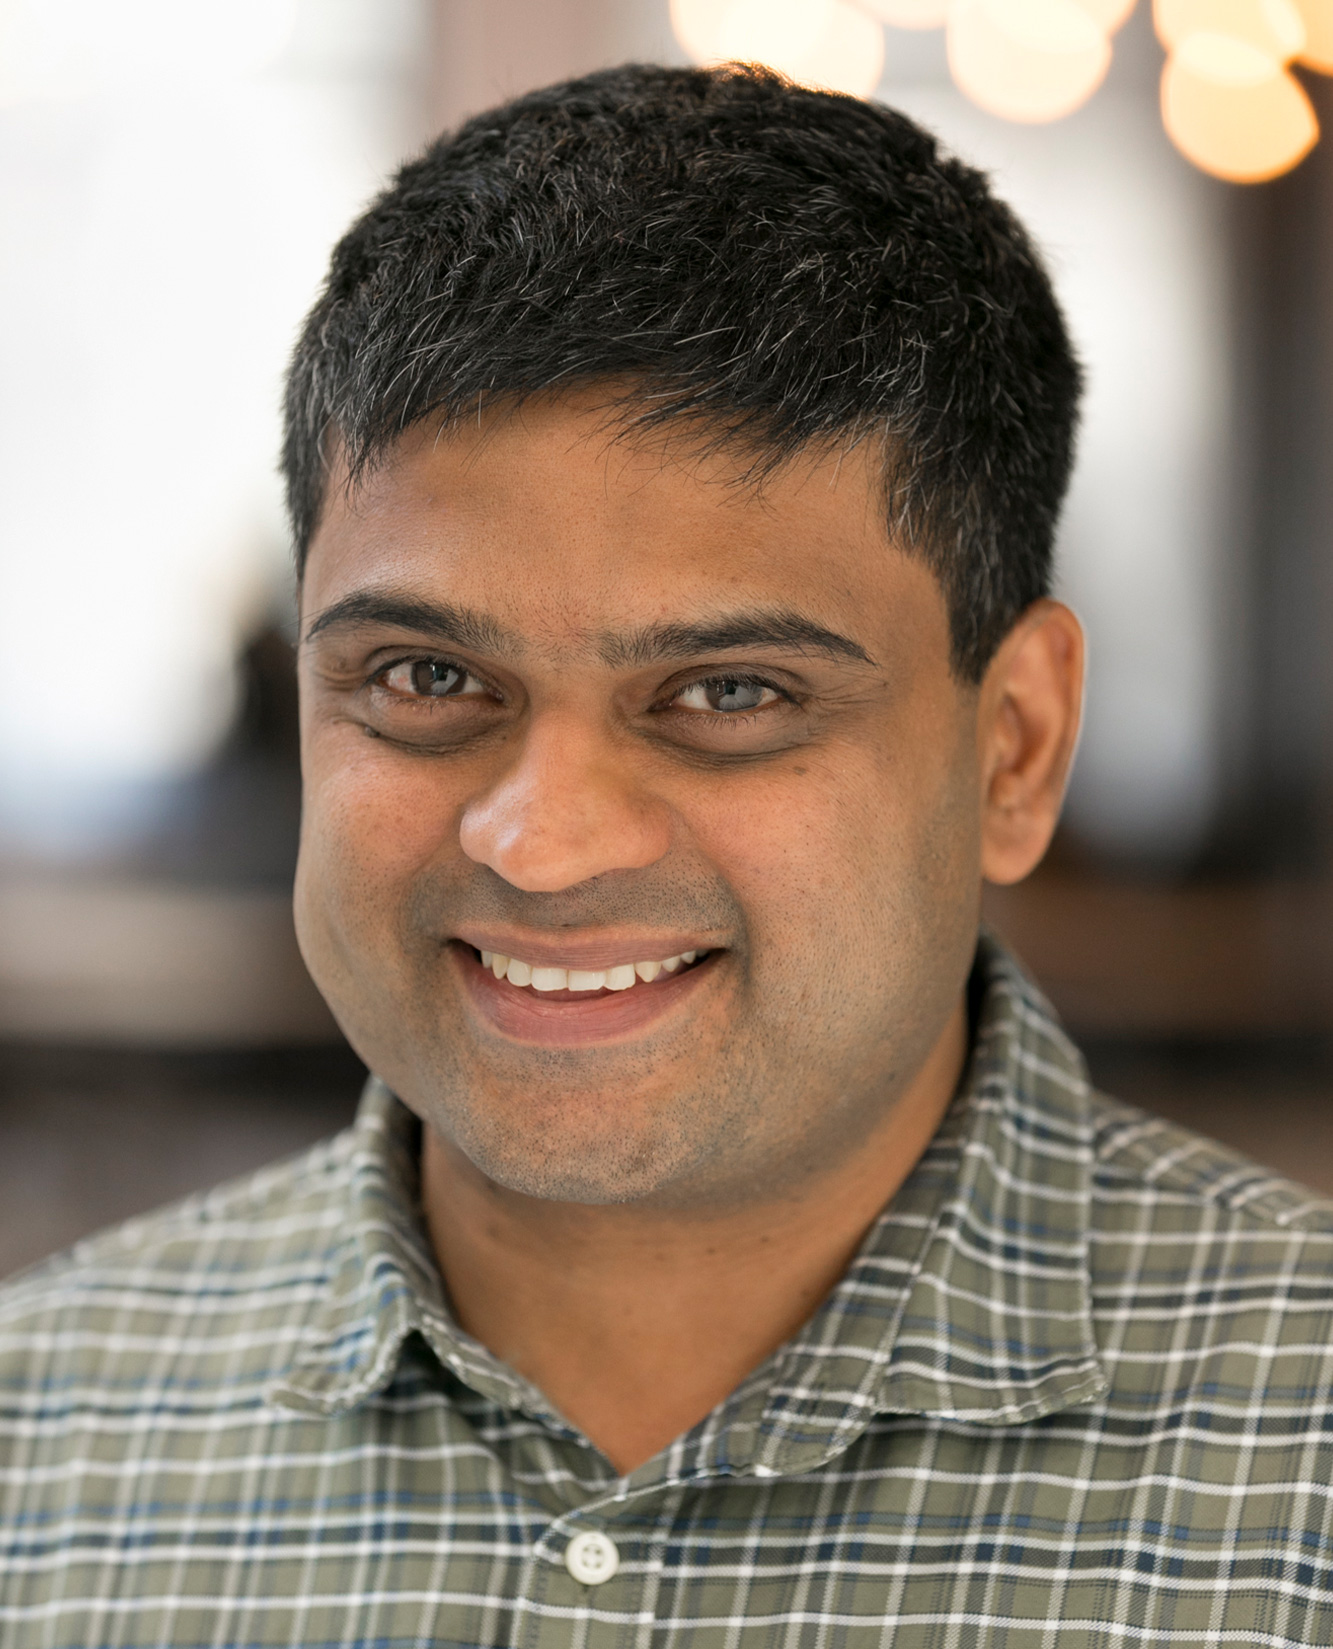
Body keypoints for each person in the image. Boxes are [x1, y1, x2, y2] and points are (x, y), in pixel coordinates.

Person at [3, 61, 1332, 1648]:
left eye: (727, 694)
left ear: (1015, 746)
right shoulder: (39, 1446)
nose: (542, 844)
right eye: (429, 678)